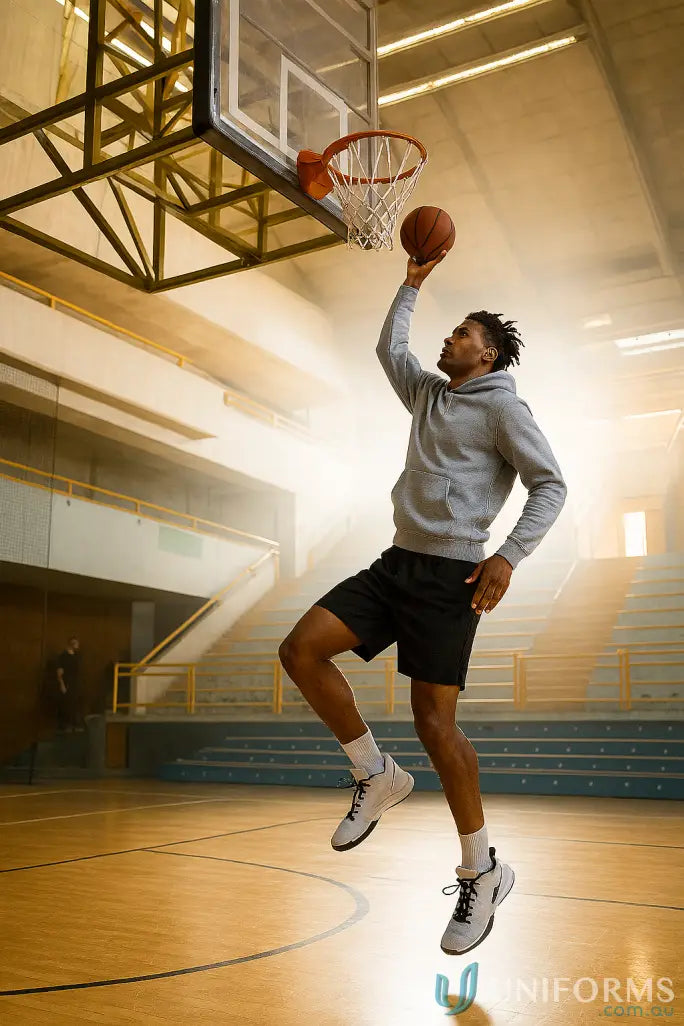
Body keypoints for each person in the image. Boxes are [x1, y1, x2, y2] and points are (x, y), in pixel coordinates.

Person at [278, 251, 567, 956]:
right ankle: (376, 773)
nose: (449, 339)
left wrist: (508, 555)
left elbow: (551, 484)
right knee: (300, 649)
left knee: (438, 727)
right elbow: (389, 346)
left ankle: (483, 871)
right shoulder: (429, 394)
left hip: (452, 578)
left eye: (463, 332)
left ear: (487, 350)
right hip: (397, 563)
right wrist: (411, 278)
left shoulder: (504, 406)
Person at [55, 636, 83, 731]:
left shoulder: (76, 656)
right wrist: (61, 684)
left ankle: (73, 724)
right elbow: (59, 672)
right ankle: (65, 725)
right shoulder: (63, 656)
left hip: (74, 683)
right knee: (66, 704)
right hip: (66, 682)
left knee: (74, 703)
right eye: (75, 643)